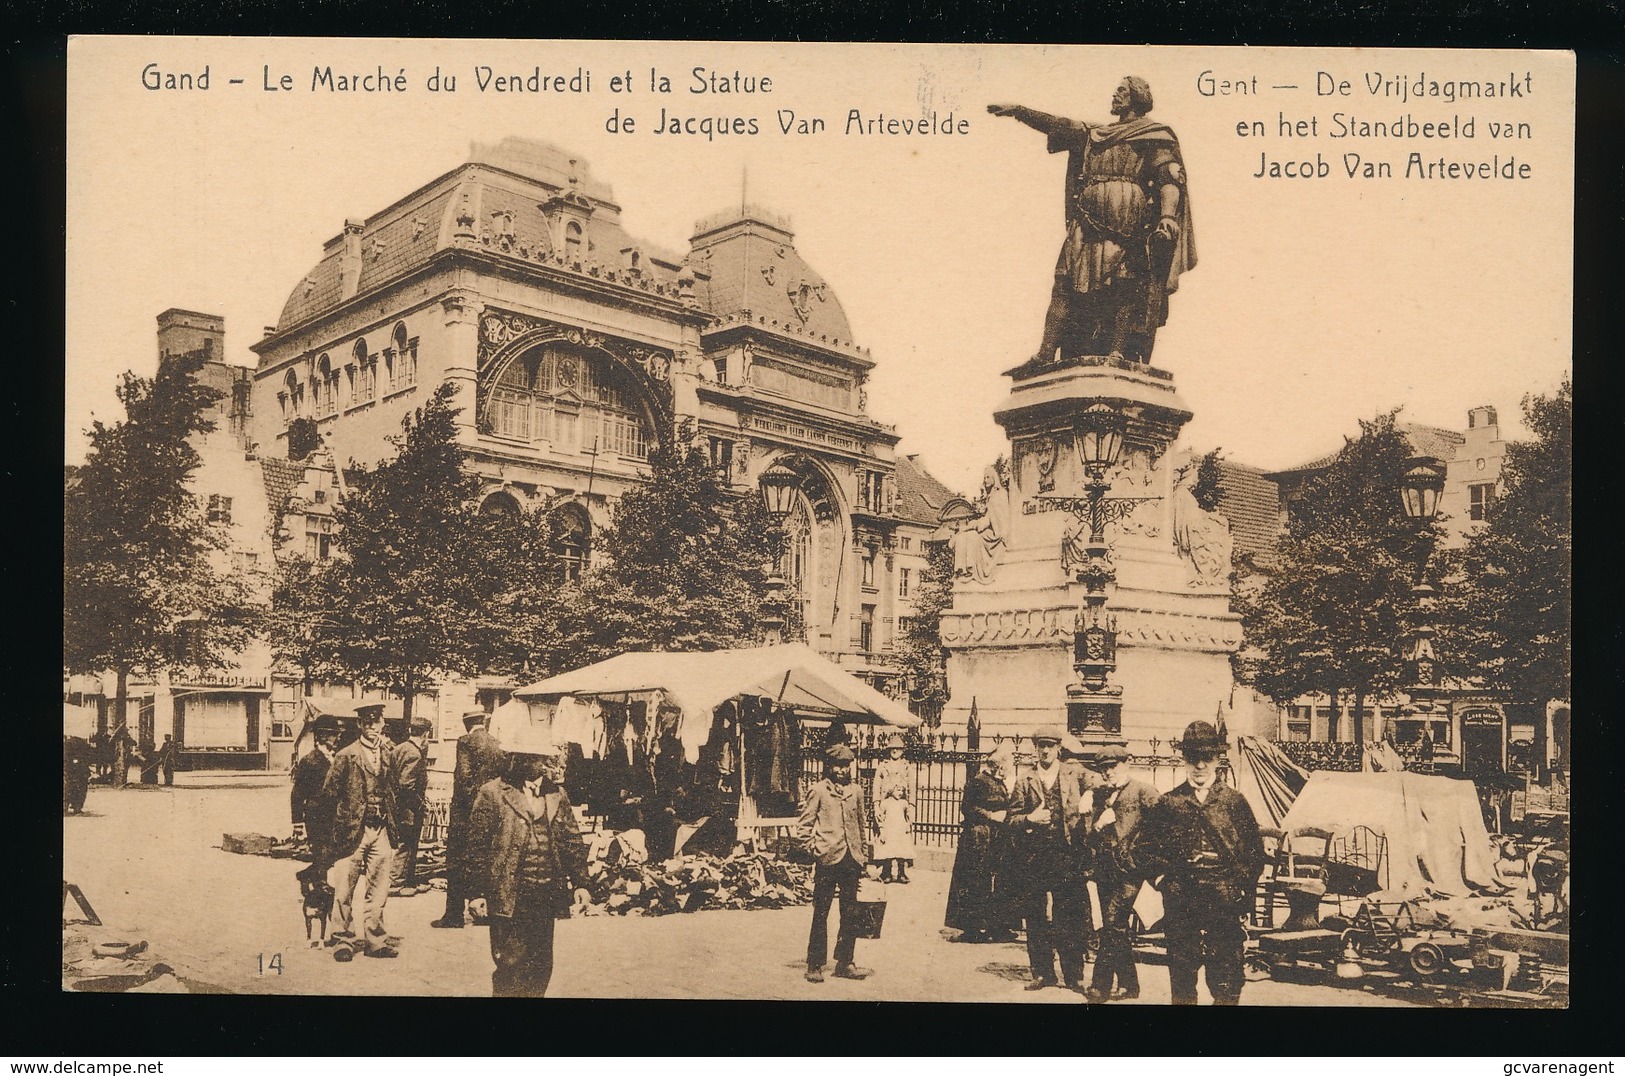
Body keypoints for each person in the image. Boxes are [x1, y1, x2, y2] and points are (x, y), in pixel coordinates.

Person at [988, 77, 1196, 366]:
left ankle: (1117, 351)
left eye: (1122, 90)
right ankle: (1045, 352)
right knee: (1064, 281)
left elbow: (1169, 179)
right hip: (1085, 224)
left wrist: (1167, 218)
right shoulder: (1094, 133)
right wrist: (1020, 111)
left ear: (1136, 97)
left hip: (1126, 223)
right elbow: (1057, 124)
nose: (1115, 94)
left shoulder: (1154, 135)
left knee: (1124, 283)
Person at [1132, 720, 1265, 1005]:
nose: (1200, 766)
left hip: (1223, 898)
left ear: (1218, 760)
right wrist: (1164, 882)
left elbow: (1254, 852)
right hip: (1183, 898)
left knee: (1227, 974)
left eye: (1207, 758)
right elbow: (1144, 849)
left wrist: (1240, 889)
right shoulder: (1169, 803)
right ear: (1184, 760)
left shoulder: (1234, 802)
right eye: (1193, 758)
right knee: (1182, 974)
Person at [469, 723, 588, 998]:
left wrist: (581, 883)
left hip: (545, 893)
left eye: (534, 757)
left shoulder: (556, 794)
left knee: (541, 965)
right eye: (521, 757)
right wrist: (475, 892)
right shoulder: (494, 792)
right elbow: (476, 848)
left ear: (545, 761)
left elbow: (572, 840)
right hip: (509, 893)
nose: (527, 763)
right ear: (513, 757)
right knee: (509, 964)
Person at [1006, 726, 1092, 991]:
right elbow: (1011, 819)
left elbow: (1098, 781)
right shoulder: (1025, 779)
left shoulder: (1073, 773)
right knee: (1036, 915)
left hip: (1068, 855)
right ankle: (1042, 973)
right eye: (1041, 746)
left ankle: (1074, 974)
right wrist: (1030, 818)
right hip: (1035, 857)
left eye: (1050, 746)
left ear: (1058, 749)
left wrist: (1089, 793)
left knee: (1070, 914)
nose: (1045, 751)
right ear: (1036, 748)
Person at [321, 702, 404, 960]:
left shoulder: (389, 755)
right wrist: (332, 832)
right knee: (344, 887)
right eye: (366, 721)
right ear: (359, 725)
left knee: (379, 889)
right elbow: (328, 796)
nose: (372, 726)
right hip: (352, 832)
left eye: (376, 721)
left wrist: (394, 823)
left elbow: (395, 792)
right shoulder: (347, 755)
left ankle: (375, 941)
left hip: (381, 830)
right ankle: (343, 940)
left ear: (382, 723)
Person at [1081, 744, 1160, 1003]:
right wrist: (1098, 825)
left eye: (1113, 767)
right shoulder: (1100, 794)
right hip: (1105, 871)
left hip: (1130, 872)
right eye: (1104, 769)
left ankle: (1099, 986)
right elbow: (1090, 839)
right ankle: (1130, 985)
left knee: (1113, 923)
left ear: (1127, 763)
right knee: (1117, 928)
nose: (1108, 773)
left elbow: (1161, 828)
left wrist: (1144, 859)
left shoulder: (1144, 792)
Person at [797, 744, 873, 983]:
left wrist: (864, 857)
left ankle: (845, 962)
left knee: (850, 912)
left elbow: (861, 825)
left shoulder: (857, 791)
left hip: (852, 859)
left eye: (846, 766)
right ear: (828, 766)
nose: (842, 770)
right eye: (838, 765)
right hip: (828, 859)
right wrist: (815, 849)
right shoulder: (818, 790)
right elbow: (803, 826)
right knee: (821, 912)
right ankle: (815, 964)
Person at [433, 708, 507, 929]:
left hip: (466, 815)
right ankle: (487, 912)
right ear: (483, 721)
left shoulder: (465, 742)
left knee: (456, 862)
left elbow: (464, 779)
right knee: (487, 860)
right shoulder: (497, 743)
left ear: (466, 724)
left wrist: (468, 808)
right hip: (493, 812)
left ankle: (453, 915)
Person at [945, 744, 1014, 942]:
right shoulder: (978, 781)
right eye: (1006, 763)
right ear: (998, 764)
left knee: (995, 883)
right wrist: (991, 815)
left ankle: (996, 927)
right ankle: (973, 929)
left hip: (995, 838)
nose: (1008, 767)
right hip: (977, 838)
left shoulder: (997, 782)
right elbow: (968, 808)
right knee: (976, 882)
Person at [390, 715, 434, 896]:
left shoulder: (399, 748)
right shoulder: (415, 754)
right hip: (408, 807)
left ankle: (409, 882)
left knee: (408, 843)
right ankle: (395, 883)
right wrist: (420, 803)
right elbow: (406, 784)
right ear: (425, 734)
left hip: (397, 804)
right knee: (407, 843)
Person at [291, 715, 343, 864]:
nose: (338, 737)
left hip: (335, 814)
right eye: (334, 734)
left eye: (337, 733)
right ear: (322, 736)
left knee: (331, 853)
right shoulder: (309, 761)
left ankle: (310, 880)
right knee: (320, 853)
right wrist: (297, 823)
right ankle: (320, 884)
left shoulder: (337, 759)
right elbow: (297, 794)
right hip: (317, 815)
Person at [871, 733, 913, 883]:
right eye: (892, 748)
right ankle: (886, 871)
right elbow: (876, 787)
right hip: (886, 808)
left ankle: (901, 872)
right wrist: (876, 805)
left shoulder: (907, 766)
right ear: (888, 750)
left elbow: (912, 789)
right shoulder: (882, 766)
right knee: (886, 839)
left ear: (903, 750)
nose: (895, 751)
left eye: (898, 748)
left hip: (901, 809)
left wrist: (911, 808)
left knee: (902, 839)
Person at [64, 735, 92, 814]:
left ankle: (75, 807)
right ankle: (75, 807)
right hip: (75, 770)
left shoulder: (70, 743)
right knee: (76, 788)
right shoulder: (71, 743)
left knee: (74, 788)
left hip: (77, 770)